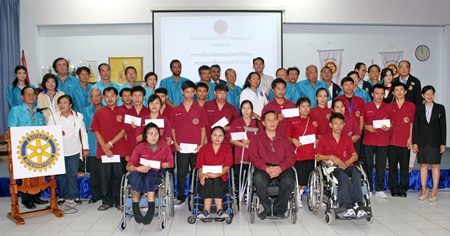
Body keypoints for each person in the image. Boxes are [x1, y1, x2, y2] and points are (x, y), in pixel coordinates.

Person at [315, 113, 368, 218]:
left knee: (357, 174)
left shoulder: (347, 139)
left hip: (347, 164)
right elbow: (318, 157)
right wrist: (332, 157)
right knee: (342, 177)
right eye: (335, 124)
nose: (338, 126)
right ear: (330, 125)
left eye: (340, 124)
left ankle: (358, 205)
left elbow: (355, 155)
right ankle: (346, 206)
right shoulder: (324, 139)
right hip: (332, 166)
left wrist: (347, 163)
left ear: (344, 125)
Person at [249, 110, 296, 220]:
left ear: (277, 121)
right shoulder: (256, 139)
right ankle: (267, 207)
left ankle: (279, 209)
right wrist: (266, 168)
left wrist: (280, 168)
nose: (272, 122)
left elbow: (291, 158)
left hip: (282, 168)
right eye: (268, 120)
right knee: (257, 178)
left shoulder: (284, 139)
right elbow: (253, 158)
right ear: (263, 123)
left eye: (274, 120)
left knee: (289, 180)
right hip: (263, 168)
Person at [7, 86, 48, 209]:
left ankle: (36, 196)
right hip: (22, 148)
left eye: (33, 94)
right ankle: (26, 198)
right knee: (24, 173)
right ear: (22, 97)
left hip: (37, 149)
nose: (31, 96)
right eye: (28, 94)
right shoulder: (16, 110)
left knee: (37, 171)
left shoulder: (39, 112)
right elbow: (12, 129)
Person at [90, 87, 130, 210]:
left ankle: (119, 201)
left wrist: (110, 144)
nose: (110, 98)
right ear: (103, 98)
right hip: (104, 152)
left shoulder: (123, 112)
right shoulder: (99, 112)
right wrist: (104, 147)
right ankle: (106, 201)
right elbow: (95, 131)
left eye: (112, 96)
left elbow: (123, 131)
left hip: (119, 150)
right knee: (104, 177)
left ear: (117, 97)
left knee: (119, 176)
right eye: (107, 96)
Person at [126, 122, 174, 224]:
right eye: (150, 133)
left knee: (150, 177)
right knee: (137, 177)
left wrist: (156, 164)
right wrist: (138, 169)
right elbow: (129, 166)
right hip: (140, 170)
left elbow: (170, 164)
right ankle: (135, 208)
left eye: (156, 133)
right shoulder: (139, 147)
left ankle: (151, 208)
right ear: (145, 135)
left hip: (156, 171)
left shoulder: (164, 146)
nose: (154, 136)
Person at [170, 80, 208, 205]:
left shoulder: (200, 109)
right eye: (187, 92)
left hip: (196, 147)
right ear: (182, 92)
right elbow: (173, 128)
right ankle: (181, 196)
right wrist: (175, 143)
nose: (189, 94)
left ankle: (198, 194)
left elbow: (203, 128)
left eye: (192, 92)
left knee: (197, 171)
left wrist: (201, 144)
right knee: (181, 172)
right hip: (181, 147)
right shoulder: (176, 109)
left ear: (195, 93)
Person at [48, 95, 89, 205]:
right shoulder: (53, 117)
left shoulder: (77, 116)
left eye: (65, 102)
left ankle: (74, 196)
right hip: (59, 151)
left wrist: (85, 148)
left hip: (74, 150)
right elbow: (49, 133)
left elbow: (83, 133)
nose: (62, 105)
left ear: (70, 105)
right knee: (62, 174)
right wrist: (56, 133)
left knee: (72, 173)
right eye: (60, 102)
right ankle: (63, 196)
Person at [286, 97, 321, 208]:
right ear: (298, 107)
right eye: (303, 106)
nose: (305, 109)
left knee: (307, 176)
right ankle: (297, 195)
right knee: (299, 176)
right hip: (298, 153)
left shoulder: (315, 120)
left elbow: (320, 134)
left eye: (308, 106)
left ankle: (300, 195)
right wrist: (293, 140)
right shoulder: (292, 121)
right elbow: (287, 136)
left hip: (311, 152)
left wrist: (318, 140)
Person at [413, 85, 446, 202]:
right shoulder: (418, 108)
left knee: (435, 165)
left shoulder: (440, 108)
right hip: (422, 141)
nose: (429, 96)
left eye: (431, 94)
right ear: (423, 96)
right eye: (427, 94)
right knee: (423, 165)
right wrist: (414, 142)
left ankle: (435, 190)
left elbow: (443, 126)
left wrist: (443, 143)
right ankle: (423, 189)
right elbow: (415, 126)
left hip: (435, 142)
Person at [362, 84, 392, 198]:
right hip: (369, 140)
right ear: (372, 94)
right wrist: (366, 127)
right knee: (368, 165)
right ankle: (368, 188)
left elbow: (392, 123)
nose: (379, 96)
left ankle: (379, 188)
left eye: (382, 94)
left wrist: (389, 127)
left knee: (381, 165)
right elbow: (362, 122)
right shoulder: (366, 106)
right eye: (377, 93)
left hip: (383, 140)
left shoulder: (388, 107)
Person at [195, 126, 233, 219]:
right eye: (215, 135)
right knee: (207, 181)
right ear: (211, 136)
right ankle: (206, 210)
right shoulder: (203, 149)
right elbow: (200, 167)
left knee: (216, 180)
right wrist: (202, 174)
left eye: (220, 136)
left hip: (221, 176)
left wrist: (215, 175)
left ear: (224, 137)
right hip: (205, 176)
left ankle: (219, 209)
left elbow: (227, 167)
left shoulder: (227, 149)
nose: (217, 138)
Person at [388, 82, 415, 197]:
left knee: (404, 166)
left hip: (405, 140)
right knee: (392, 166)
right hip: (391, 140)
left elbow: (412, 123)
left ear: (405, 92)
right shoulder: (389, 106)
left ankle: (403, 188)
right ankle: (393, 188)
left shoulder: (411, 106)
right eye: (396, 90)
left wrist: (411, 138)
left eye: (401, 90)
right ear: (393, 92)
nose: (399, 92)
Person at [228, 100, 258, 191]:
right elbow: (231, 139)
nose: (246, 111)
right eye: (244, 108)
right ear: (240, 110)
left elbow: (261, 140)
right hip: (240, 155)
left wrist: (250, 142)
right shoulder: (236, 123)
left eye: (248, 108)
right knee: (241, 178)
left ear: (252, 110)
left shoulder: (257, 123)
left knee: (253, 177)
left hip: (254, 156)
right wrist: (244, 145)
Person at [81, 88, 103, 203]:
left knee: (105, 172)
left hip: (105, 146)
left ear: (102, 96)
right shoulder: (85, 111)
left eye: (98, 95)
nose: (96, 98)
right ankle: (95, 194)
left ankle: (106, 194)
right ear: (90, 98)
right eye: (93, 96)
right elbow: (82, 129)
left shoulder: (107, 109)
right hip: (92, 144)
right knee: (94, 173)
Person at [126, 86, 150, 151]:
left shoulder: (149, 112)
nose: (137, 98)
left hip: (146, 147)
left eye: (139, 95)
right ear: (131, 97)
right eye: (134, 96)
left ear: (144, 97)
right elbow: (124, 133)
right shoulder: (127, 113)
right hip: (130, 146)